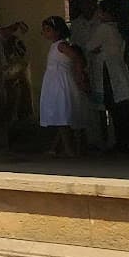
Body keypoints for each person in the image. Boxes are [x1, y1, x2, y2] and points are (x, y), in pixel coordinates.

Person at [39, 16, 87, 157]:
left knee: (62, 116)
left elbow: (76, 58)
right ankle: (56, 148)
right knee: (61, 115)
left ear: (57, 31)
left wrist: (79, 75)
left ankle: (69, 149)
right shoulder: (55, 46)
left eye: (48, 30)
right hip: (54, 82)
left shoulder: (61, 45)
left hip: (60, 83)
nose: (45, 33)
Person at [91, 1, 129, 155]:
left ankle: (117, 143)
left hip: (108, 71)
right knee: (120, 108)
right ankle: (121, 141)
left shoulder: (104, 28)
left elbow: (91, 46)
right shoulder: (117, 29)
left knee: (114, 107)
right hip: (118, 71)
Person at [67, 0, 105, 149]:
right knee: (86, 107)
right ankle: (90, 141)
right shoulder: (76, 25)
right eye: (84, 4)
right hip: (83, 68)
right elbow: (76, 48)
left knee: (103, 105)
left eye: (90, 4)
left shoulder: (103, 23)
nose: (87, 7)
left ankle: (106, 139)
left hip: (102, 68)